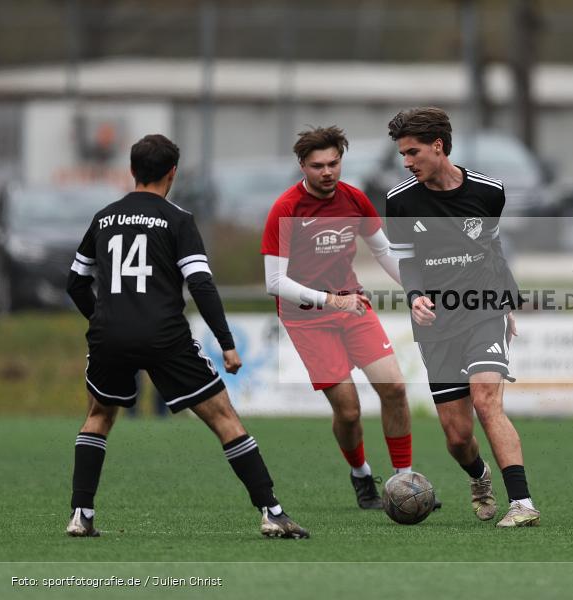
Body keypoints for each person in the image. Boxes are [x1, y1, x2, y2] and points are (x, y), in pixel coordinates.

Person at [65, 134, 308, 539]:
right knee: (224, 418)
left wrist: (105, 320)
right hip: (165, 336)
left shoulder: (104, 218)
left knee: (98, 417)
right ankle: (272, 513)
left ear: (132, 170)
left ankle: (81, 515)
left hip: (109, 336)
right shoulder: (178, 220)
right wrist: (227, 343)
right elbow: (201, 285)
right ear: (172, 172)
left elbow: (75, 283)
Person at [385, 107, 539, 528]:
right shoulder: (400, 201)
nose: (407, 161)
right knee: (457, 437)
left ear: (438, 146)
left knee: (486, 399)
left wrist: (507, 302)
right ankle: (479, 476)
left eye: (413, 151)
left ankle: (522, 503)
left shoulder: (490, 192)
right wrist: (415, 296)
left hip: (483, 308)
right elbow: (408, 262)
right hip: (436, 321)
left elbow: (493, 249)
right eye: (402, 154)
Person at [261, 126, 413, 510]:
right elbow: (274, 281)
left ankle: (403, 482)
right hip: (306, 318)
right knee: (348, 410)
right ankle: (361, 474)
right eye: (318, 166)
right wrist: (328, 300)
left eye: (334, 163)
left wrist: (416, 290)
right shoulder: (286, 209)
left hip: (352, 307)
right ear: (302, 166)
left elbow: (384, 253)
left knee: (394, 387)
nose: (328, 172)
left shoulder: (354, 199)